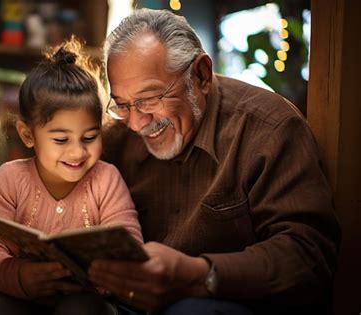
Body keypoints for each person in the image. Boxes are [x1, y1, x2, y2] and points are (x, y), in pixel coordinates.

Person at [87, 8, 341, 315]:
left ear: (201, 76)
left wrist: (200, 274)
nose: (137, 124)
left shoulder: (268, 129)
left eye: (150, 100)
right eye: (124, 105)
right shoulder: (116, 138)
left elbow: (308, 256)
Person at [0, 38, 143, 315]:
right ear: (28, 135)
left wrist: (103, 275)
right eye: (61, 139)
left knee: (83, 309)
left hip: (88, 298)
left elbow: (129, 242)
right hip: (19, 296)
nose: (77, 152)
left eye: (89, 137)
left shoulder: (106, 179)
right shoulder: (10, 178)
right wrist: (20, 276)